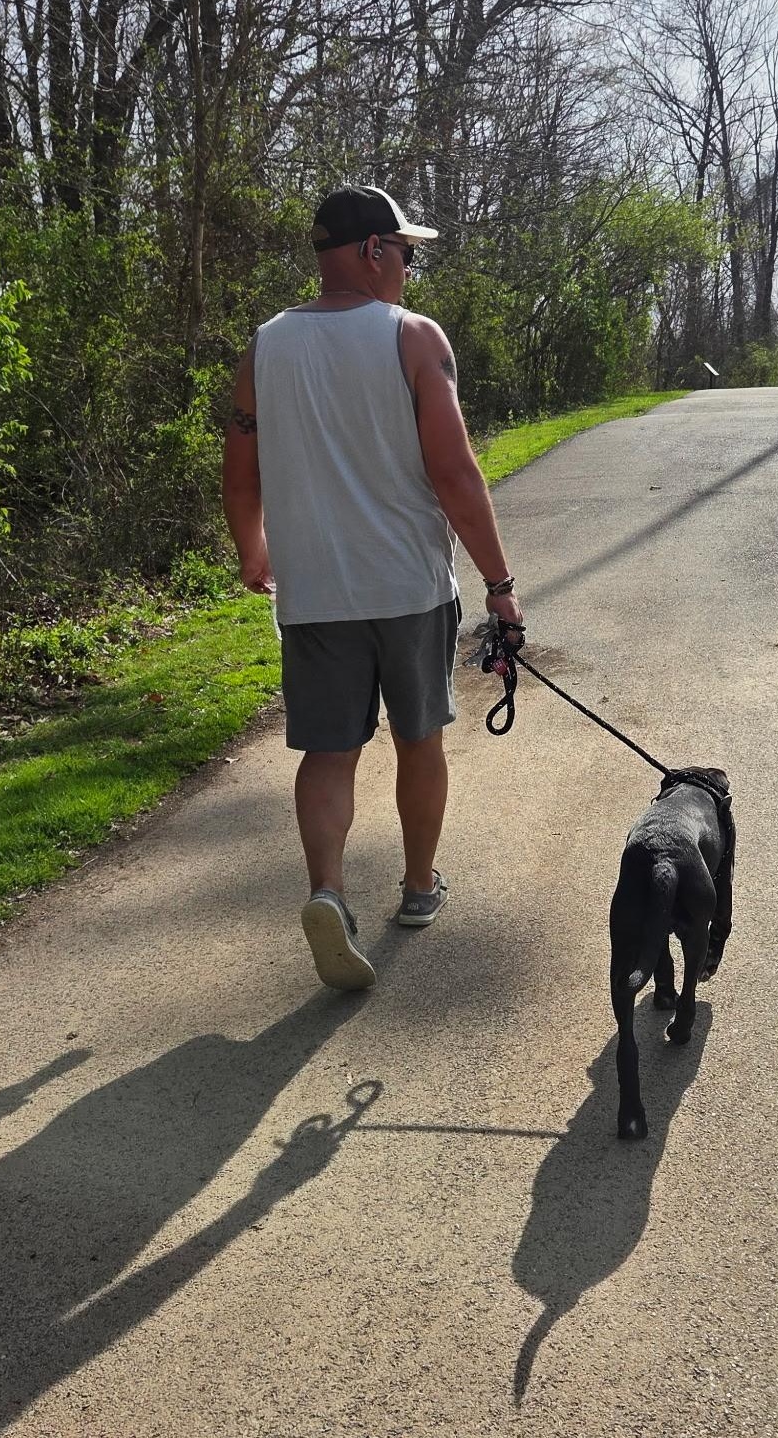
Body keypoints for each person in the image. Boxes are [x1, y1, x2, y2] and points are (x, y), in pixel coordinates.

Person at [222, 184, 524, 992]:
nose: (409, 270)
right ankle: (420, 887)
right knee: (418, 738)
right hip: (408, 586)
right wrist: (500, 583)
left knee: (329, 750)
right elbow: (455, 473)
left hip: (315, 592)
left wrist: (252, 551)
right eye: (406, 254)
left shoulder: (264, 348)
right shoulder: (414, 339)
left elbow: (240, 468)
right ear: (370, 253)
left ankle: (328, 893)